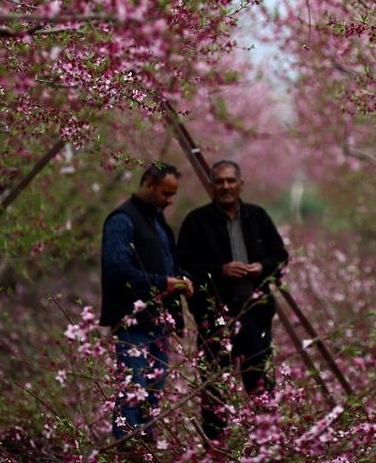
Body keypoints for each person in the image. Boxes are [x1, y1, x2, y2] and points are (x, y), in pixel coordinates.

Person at [177, 159, 288, 442]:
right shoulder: (196, 222)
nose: (225, 186)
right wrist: (220, 271)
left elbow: (280, 256)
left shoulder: (258, 217)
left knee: (261, 384)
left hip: (254, 315)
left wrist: (262, 267)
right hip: (215, 316)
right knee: (214, 387)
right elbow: (184, 267)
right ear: (212, 185)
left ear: (241, 184)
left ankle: (266, 446)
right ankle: (218, 448)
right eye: (220, 181)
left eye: (230, 181)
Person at [99, 161, 194, 440]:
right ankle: (126, 445)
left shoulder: (157, 221)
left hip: (159, 322)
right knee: (132, 391)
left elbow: (170, 264)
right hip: (134, 323)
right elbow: (117, 268)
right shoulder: (122, 219)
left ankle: (144, 446)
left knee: (151, 393)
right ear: (149, 185)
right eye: (166, 193)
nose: (170, 200)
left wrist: (183, 279)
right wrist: (161, 282)